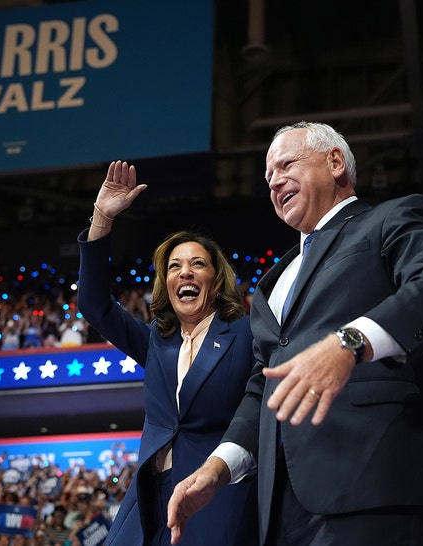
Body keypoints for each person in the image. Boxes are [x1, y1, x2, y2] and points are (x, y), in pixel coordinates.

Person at [167, 121, 423, 545]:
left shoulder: (389, 218)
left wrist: (349, 344)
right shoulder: (273, 282)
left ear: (335, 162)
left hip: (374, 488)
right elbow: (263, 387)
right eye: (268, 177)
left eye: (286, 165)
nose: (274, 182)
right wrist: (218, 467)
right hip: (281, 510)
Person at [76, 160, 258, 545]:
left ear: (216, 277)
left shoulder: (245, 334)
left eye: (197, 264)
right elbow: (94, 305)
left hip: (212, 500)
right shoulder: (155, 342)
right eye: (174, 266)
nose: (185, 273)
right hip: (147, 501)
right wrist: (102, 220)